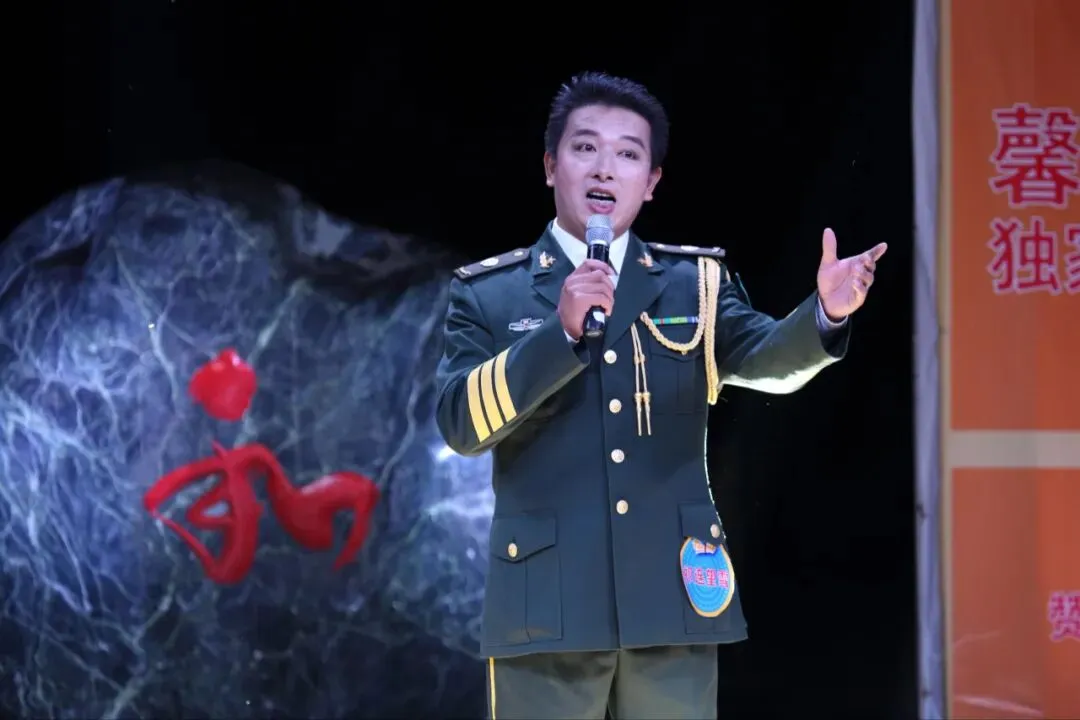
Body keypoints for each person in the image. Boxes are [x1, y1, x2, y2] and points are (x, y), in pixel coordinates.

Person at [433, 71, 887, 720]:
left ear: (650, 183)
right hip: (545, 605)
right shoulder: (490, 294)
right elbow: (460, 422)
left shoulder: (691, 283)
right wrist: (559, 335)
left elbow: (766, 360)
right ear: (550, 165)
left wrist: (825, 314)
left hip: (672, 597)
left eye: (627, 154)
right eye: (585, 147)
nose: (604, 168)